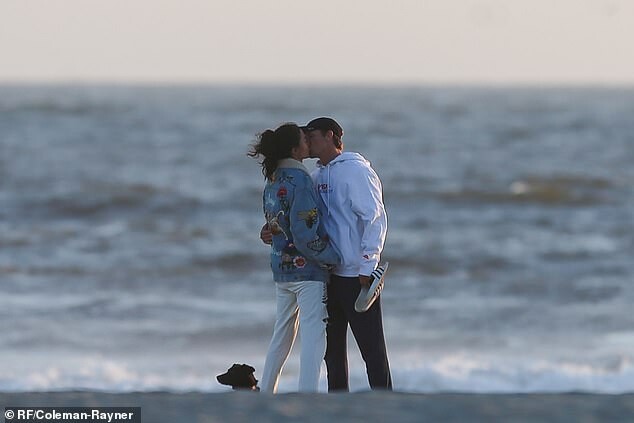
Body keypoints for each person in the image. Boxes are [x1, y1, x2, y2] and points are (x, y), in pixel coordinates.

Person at [261, 117, 392, 392]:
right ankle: (336, 405)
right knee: (332, 355)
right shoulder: (314, 176)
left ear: (330, 135)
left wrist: (368, 264)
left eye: (313, 136)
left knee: (372, 350)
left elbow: (375, 218)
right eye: (305, 138)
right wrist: (272, 230)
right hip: (326, 275)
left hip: (356, 274)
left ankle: (384, 403)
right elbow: (299, 219)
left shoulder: (357, 171)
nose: (308, 142)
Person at [249, 122, 340, 393]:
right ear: (294, 149)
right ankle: (308, 394)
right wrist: (332, 257)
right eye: (304, 139)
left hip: (281, 268)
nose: (308, 143)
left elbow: (276, 223)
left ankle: (266, 391)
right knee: (313, 335)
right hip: (307, 271)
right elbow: (304, 232)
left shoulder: (273, 178)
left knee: (281, 336)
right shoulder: (301, 180)